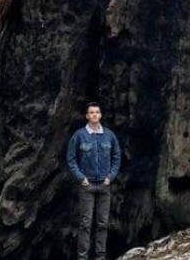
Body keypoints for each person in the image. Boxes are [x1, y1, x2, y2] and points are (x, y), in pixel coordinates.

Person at [67, 101, 121, 260]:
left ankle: (100, 257)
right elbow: (71, 159)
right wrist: (81, 177)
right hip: (87, 186)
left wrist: (110, 177)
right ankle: (82, 258)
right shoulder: (79, 135)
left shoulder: (109, 135)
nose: (94, 115)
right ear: (87, 116)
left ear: (101, 115)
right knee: (85, 224)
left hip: (104, 186)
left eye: (97, 112)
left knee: (103, 224)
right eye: (91, 112)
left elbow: (117, 157)